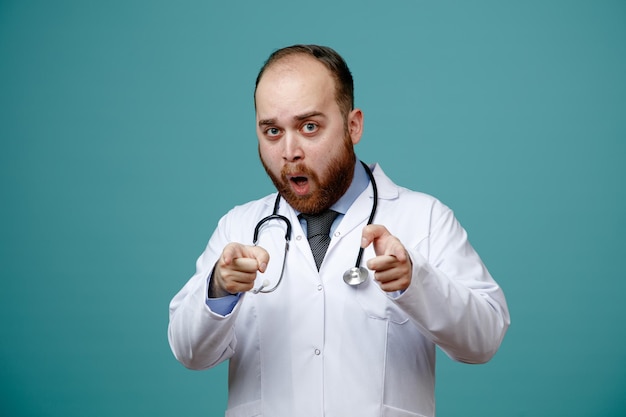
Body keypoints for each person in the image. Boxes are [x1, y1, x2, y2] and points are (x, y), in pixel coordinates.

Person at [168, 44, 510, 417]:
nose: (289, 151)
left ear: (353, 125)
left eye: (309, 126)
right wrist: (220, 289)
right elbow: (189, 352)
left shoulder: (424, 218)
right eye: (272, 131)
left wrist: (416, 282)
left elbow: (484, 339)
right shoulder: (239, 227)